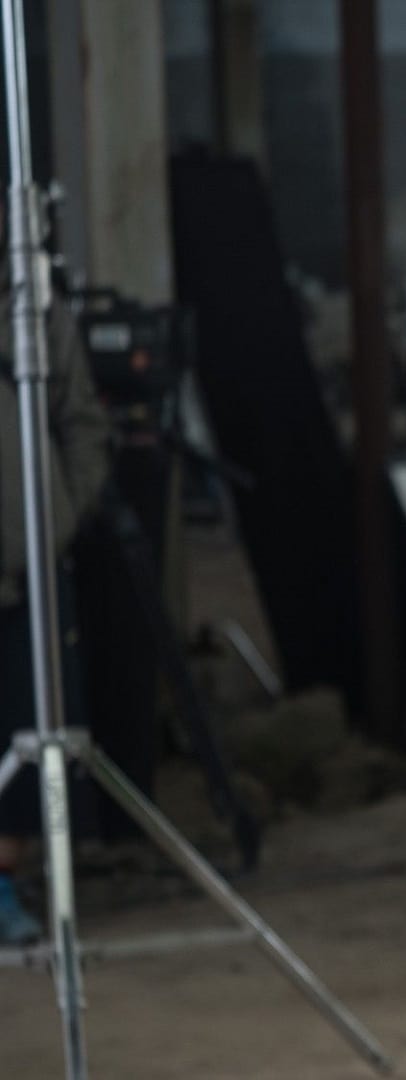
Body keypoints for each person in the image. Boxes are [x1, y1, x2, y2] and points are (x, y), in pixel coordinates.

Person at [0, 297, 109, 945]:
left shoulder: (34, 308)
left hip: (28, 570)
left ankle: (4, 885)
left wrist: (57, 517)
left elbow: (83, 423)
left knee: (24, 721)